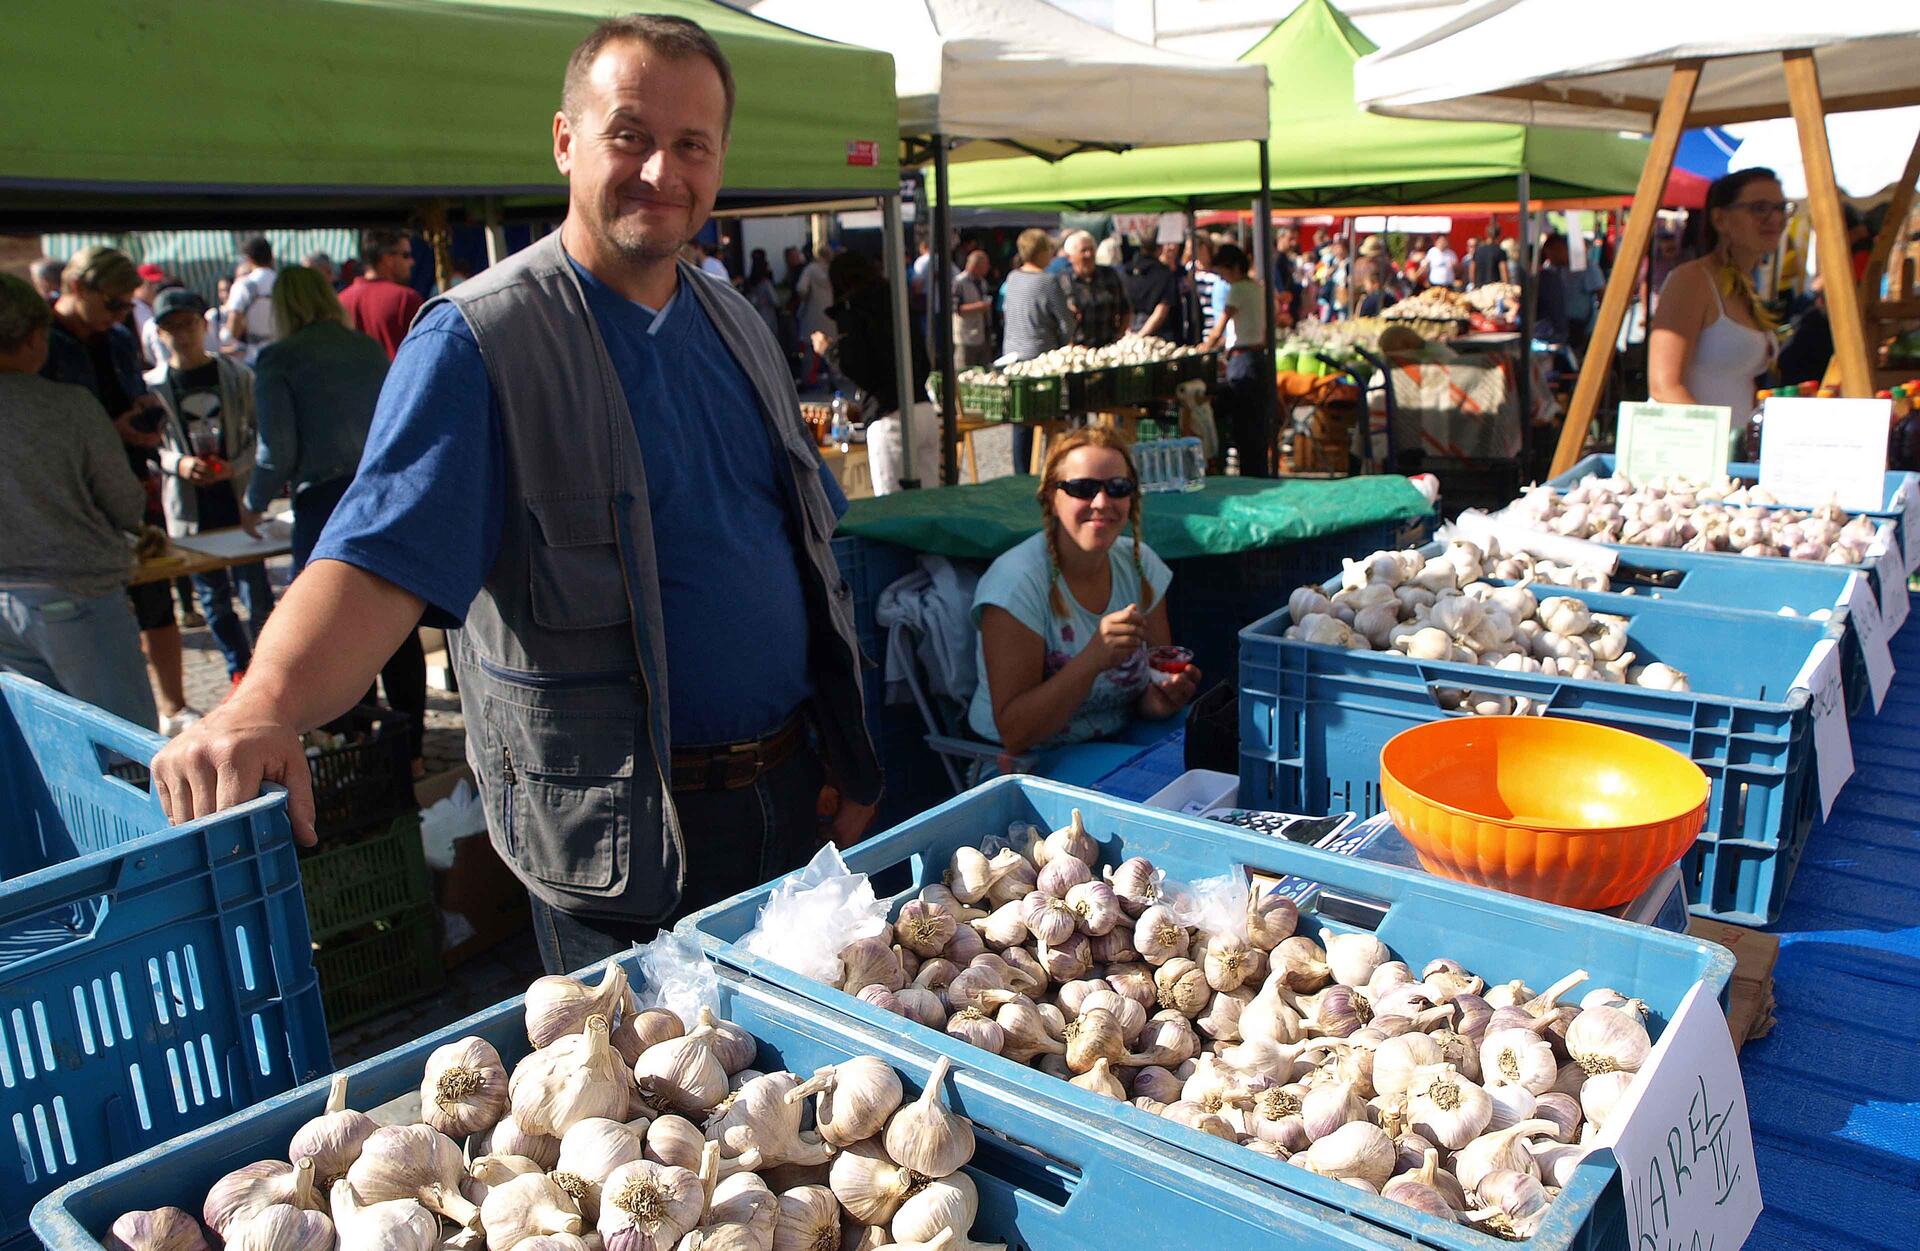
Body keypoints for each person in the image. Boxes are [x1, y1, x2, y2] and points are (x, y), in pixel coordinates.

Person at [154, 15, 880, 975]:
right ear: (564, 141)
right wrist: (262, 704)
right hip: (627, 848)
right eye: (630, 135)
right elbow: (377, 558)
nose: (662, 170)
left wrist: (846, 746)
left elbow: (802, 550)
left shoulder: (736, 321)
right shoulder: (479, 341)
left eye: (691, 144)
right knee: (663, 1108)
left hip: (788, 799)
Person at [243, 266, 428, 773]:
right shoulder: (364, 348)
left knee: (335, 628)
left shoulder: (278, 358)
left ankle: (355, 747)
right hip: (384, 491)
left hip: (327, 503)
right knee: (398, 623)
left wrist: (253, 500)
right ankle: (408, 752)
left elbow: (275, 450)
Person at [968, 426, 1201, 763]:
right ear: (1051, 495)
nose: (1102, 502)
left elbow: (1150, 687)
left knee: (1212, 750)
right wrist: (1093, 659)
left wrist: (1159, 698)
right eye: (1083, 488)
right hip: (1028, 759)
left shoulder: (1140, 566)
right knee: (1159, 785)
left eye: (1118, 488)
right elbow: (1016, 733)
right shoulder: (1016, 584)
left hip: (1118, 734)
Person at [41, 246, 201, 734]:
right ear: (77, 288)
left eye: (127, 306)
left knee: (157, 595)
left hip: (131, 480)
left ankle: (174, 706)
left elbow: (130, 388)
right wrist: (116, 429)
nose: (119, 314)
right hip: (76, 495)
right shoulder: (41, 344)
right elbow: (53, 431)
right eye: (112, 303)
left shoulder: (115, 337)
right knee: (99, 612)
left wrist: (147, 414)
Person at [0, 273, 156, 726]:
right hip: (77, 596)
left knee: (41, 747)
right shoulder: (69, 406)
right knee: (124, 747)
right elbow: (125, 504)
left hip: (6, 599)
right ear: (33, 338)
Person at [145, 288, 273, 685]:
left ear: (203, 325)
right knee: (213, 598)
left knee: (256, 592)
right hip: (190, 506)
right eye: (170, 328)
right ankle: (239, 669)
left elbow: (261, 435)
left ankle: (268, 667)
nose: (181, 335)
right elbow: (149, 448)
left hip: (237, 501)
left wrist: (233, 466)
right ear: (160, 334)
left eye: (187, 325)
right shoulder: (152, 387)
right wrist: (179, 464)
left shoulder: (236, 376)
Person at [1648, 168, 1786, 418]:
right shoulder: (1692, 280)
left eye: (1780, 208)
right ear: (1720, 219)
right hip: (1692, 450)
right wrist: (1714, 445)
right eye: (1759, 208)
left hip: (1735, 451)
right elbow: (1664, 388)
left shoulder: (1743, 284)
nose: (1774, 218)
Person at [1002, 228, 1075, 474]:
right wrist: (1066, 343)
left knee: (1021, 419)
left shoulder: (1012, 278)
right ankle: (1050, 471)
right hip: (1042, 357)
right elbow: (1066, 322)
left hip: (1012, 355)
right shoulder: (1048, 281)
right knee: (1048, 418)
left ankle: (1020, 473)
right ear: (1042, 252)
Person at [1201, 243, 1270, 474]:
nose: (1224, 279)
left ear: (1236, 268)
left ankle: (1249, 474)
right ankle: (1257, 471)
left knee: (1243, 423)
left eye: (1224, 273)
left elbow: (1220, 325)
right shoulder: (1258, 288)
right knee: (1255, 423)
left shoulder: (1238, 289)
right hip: (1257, 357)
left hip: (1243, 360)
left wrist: (1205, 348)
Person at [810, 250, 899, 416]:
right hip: (922, 408)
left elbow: (856, 367)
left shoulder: (853, 311)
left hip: (886, 412)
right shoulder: (893, 300)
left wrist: (828, 350)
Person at [339, 228, 425, 361]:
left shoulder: (340, 301)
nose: (412, 262)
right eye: (406, 255)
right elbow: (423, 355)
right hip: (396, 380)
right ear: (387, 259)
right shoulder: (406, 299)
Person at [1062, 231, 1128, 349]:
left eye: (1092, 249)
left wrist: (1119, 335)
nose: (1089, 254)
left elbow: (1126, 309)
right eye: (1083, 251)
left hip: (1108, 347)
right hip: (1078, 351)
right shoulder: (1063, 282)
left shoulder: (1110, 275)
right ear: (1070, 257)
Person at [225, 235, 279, 363]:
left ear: (248, 259)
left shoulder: (244, 285)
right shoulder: (284, 283)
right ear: (271, 257)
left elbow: (234, 322)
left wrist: (229, 338)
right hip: (283, 351)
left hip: (255, 355)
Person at [1120, 238, 1178, 338]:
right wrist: (1141, 335)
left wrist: (1127, 332)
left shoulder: (1125, 272)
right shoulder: (1165, 273)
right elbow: (1161, 310)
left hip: (1129, 330)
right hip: (1158, 335)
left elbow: (1122, 307)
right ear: (1160, 248)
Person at [794, 245, 834, 386]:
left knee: (810, 349)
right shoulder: (834, 270)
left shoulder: (810, 270)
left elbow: (801, 289)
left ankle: (808, 379)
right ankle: (834, 379)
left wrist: (805, 300)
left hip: (812, 314)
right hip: (832, 316)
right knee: (833, 348)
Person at [951, 249, 994, 369]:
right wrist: (979, 306)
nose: (988, 268)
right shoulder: (959, 282)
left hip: (982, 336)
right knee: (964, 372)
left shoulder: (983, 282)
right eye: (986, 265)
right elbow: (956, 308)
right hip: (966, 338)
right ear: (976, 265)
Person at [743, 248, 780, 342]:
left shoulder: (749, 282)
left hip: (753, 320)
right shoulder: (766, 283)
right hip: (768, 318)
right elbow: (776, 301)